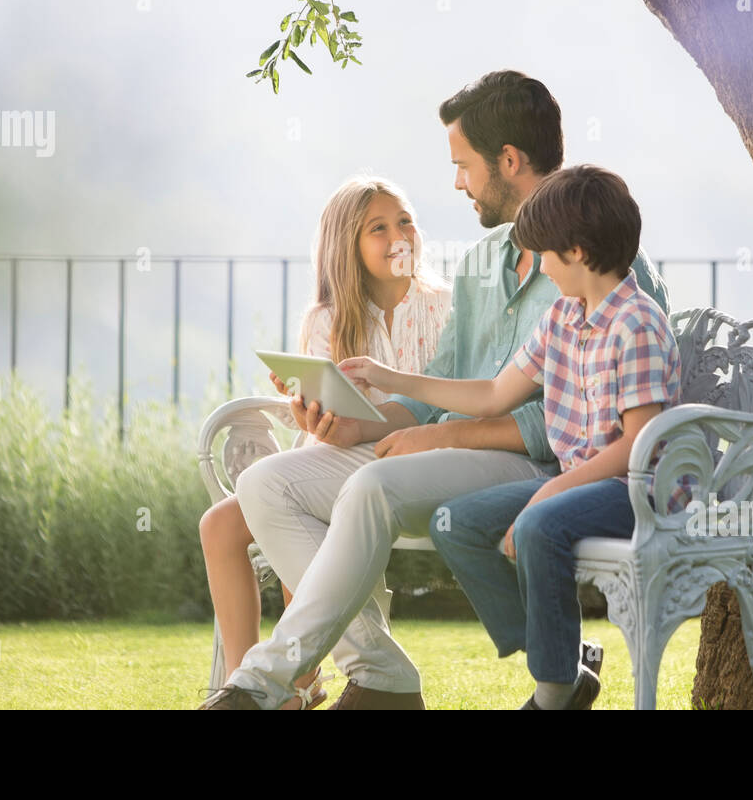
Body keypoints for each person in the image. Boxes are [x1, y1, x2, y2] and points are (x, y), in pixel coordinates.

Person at [203, 71, 668, 710]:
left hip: (541, 464)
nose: (458, 183)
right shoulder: (483, 265)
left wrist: (437, 434)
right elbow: (448, 391)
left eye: (464, 165)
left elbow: (558, 418)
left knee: (372, 486)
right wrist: (363, 425)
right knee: (266, 484)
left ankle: (263, 682)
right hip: (454, 453)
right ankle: (382, 676)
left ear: (508, 161)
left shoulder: (603, 269)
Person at [345, 165, 687, 710]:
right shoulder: (561, 316)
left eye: (546, 255)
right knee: (453, 525)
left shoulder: (637, 323)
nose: (542, 268)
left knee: (539, 524)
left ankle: (552, 693)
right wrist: (390, 379)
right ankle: (565, 664)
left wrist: (551, 491)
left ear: (576, 251)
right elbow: (491, 396)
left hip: (638, 486)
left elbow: (638, 444)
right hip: (578, 480)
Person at [196, 175, 450, 709]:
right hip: (331, 454)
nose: (398, 235)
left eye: (405, 221)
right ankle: (253, 684)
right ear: (349, 247)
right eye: (377, 228)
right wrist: (308, 413)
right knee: (218, 523)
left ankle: (290, 683)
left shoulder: (442, 309)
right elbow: (323, 426)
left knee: (292, 512)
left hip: (400, 456)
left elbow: (437, 404)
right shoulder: (327, 319)